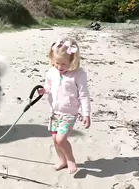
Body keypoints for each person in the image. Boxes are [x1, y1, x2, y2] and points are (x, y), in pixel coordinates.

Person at [38, 37, 91, 174]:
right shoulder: (51, 72)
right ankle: (62, 160)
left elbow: (84, 95)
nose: (59, 67)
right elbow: (49, 86)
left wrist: (86, 113)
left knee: (61, 139)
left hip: (69, 112)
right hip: (54, 112)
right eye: (56, 63)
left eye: (64, 64)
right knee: (55, 139)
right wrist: (44, 90)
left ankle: (70, 159)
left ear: (73, 61)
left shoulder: (79, 74)